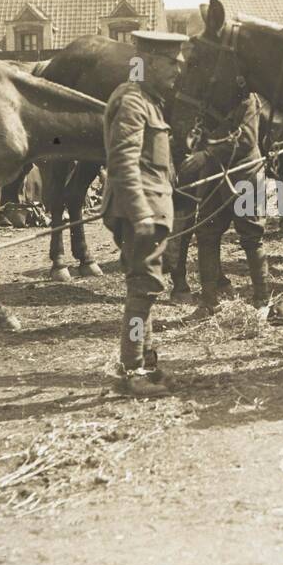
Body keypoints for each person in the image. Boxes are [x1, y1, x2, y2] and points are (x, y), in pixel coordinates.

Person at [100, 30, 188, 397]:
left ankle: (146, 364)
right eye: (172, 62)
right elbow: (123, 162)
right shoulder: (134, 102)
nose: (178, 69)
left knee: (146, 288)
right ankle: (132, 369)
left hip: (152, 210)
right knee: (142, 290)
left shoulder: (149, 101)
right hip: (143, 214)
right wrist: (140, 214)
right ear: (149, 62)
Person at [177, 90, 271, 317]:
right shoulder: (209, 98)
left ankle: (262, 300)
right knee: (206, 234)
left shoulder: (248, 100)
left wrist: (207, 155)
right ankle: (209, 302)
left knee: (251, 236)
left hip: (244, 173)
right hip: (216, 175)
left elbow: (247, 138)